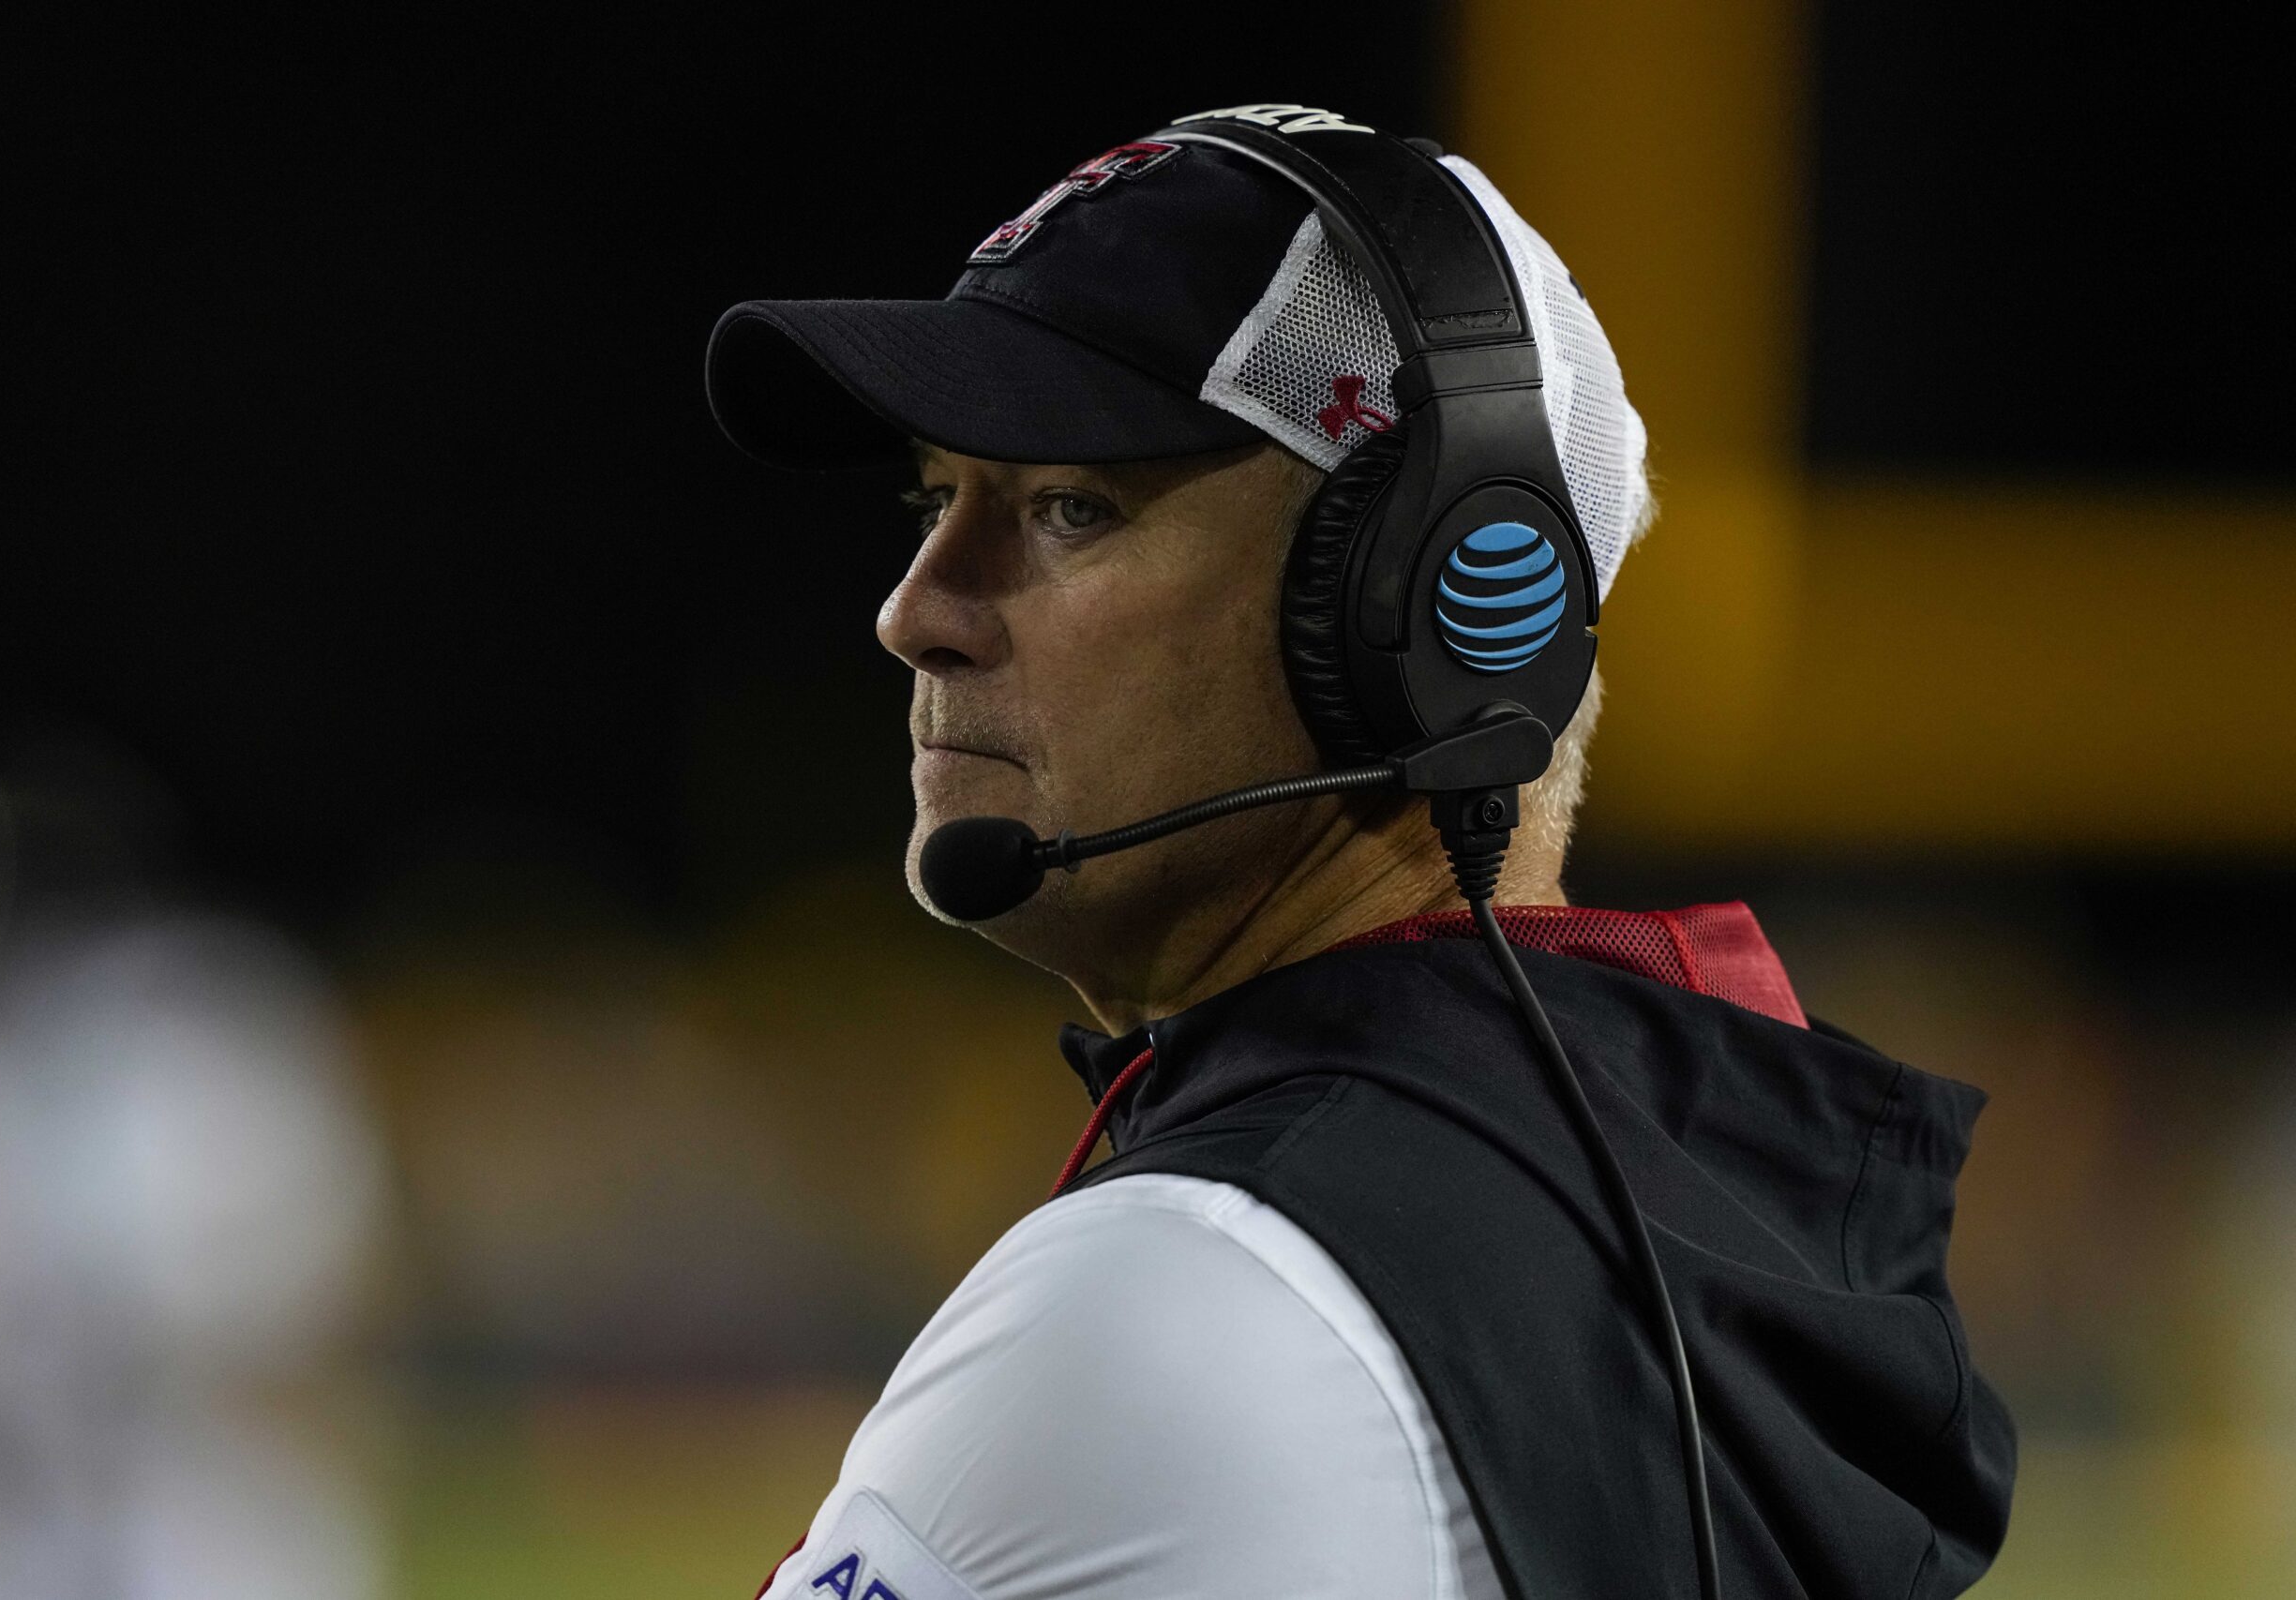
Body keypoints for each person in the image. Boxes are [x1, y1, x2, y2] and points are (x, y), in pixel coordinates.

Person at [707, 104, 2015, 1600]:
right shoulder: (1710, 1220)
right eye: (940, 500)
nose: (915, 608)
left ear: (1427, 612)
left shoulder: (1183, 1295)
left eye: (1069, 506)